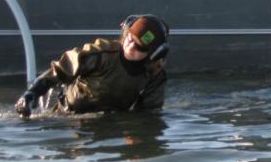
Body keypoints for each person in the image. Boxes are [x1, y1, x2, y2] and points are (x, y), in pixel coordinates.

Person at [15, 14, 169, 116]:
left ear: (154, 54)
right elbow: (59, 70)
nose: (131, 47)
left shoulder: (154, 74)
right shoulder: (100, 53)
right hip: (68, 115)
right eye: (130, 39)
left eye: (140, 47)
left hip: (110, 121)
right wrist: (32, 93)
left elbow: (149, 113)